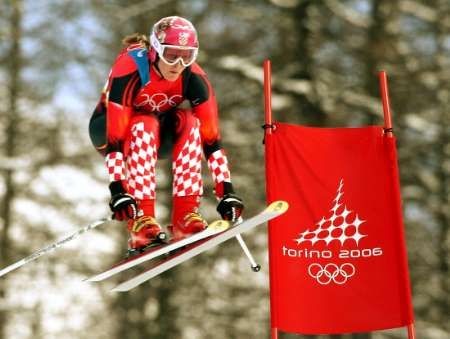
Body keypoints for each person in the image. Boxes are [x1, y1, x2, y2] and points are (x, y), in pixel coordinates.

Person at [89, 16, 244, 256]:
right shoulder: (130, 67)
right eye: (171, 55)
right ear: (154, 50)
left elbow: (212, 141)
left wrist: (227, 192)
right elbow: (116, 139)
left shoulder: (194, 78)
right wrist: (118, 189)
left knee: (191, 122)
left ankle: (185, 218)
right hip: (110, 133)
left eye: (187, 56)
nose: (178, 64)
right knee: (144, 122)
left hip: (158, 138)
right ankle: (142, 221)